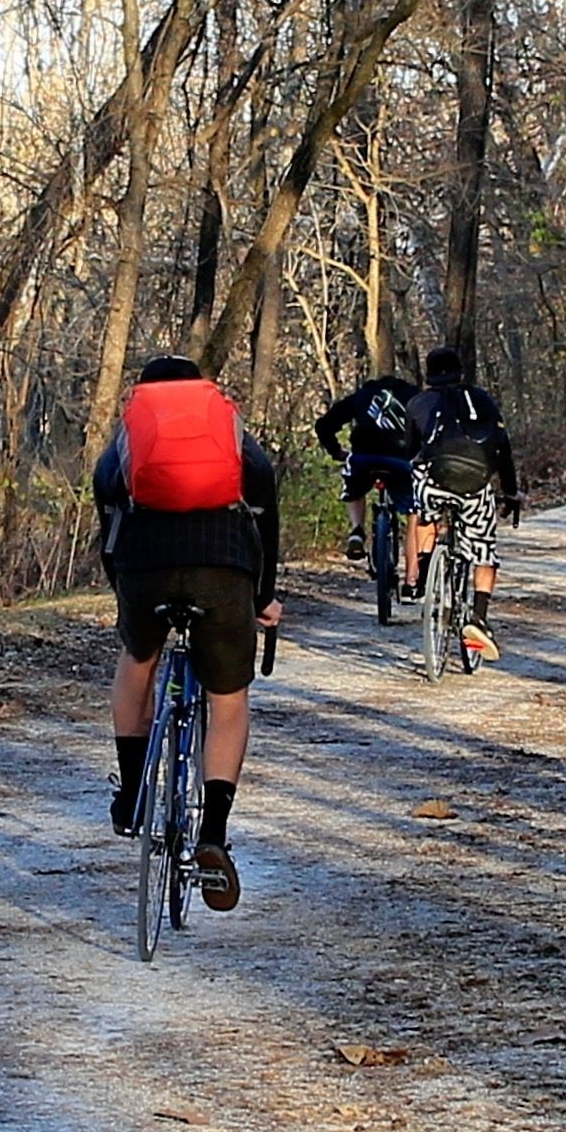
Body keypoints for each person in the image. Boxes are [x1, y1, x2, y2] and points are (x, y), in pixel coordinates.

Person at [94, 354, 283, 912]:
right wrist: (263, 593)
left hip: (143, 564)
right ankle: (214, 834)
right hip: (222, 565)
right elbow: (265, 495)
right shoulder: (227, 428)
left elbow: (108, 511)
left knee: (137, 659)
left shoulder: (130, 436)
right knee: (227, 699)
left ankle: (132, 794)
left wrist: (125, 592)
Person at [408, 345, 520, 665]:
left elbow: (409, 450)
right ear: (460, 372)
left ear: (428, 374)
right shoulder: (482, 400)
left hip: (433, 480)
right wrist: (511, 493)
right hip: (474, 482)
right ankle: (479, 619)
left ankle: (426, 571)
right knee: (484, 549)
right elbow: (503, 449)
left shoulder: (417, 402)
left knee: (425, 514)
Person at [313, 366, 425, 563]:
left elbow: (324, 424)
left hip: (363, 458)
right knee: (412, 509)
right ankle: (413, 564)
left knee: (354, 489)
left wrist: (336, 451)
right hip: (400, 460)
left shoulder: (362, 396)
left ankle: (357, 530)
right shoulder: (415, 398)